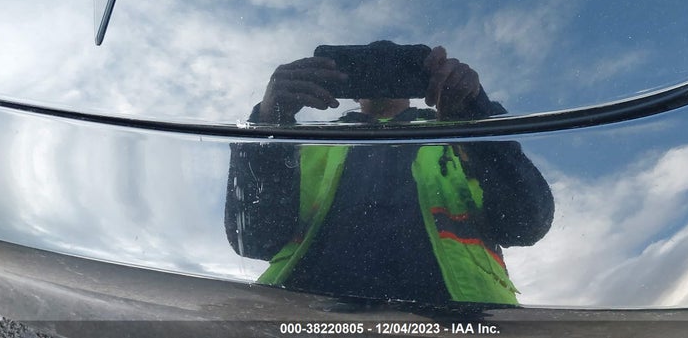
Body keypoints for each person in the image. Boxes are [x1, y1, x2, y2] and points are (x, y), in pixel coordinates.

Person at [225, 44, 554, 304]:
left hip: (465, 321)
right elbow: (254, 238)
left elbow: (526, 223)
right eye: (366, 69)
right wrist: (268, 122)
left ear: (417, 83)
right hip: (295, 319)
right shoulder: (305, 142)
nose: (382, 76)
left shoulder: (459, 130)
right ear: (352, 88)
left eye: (397, 68)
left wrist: (476, 112)